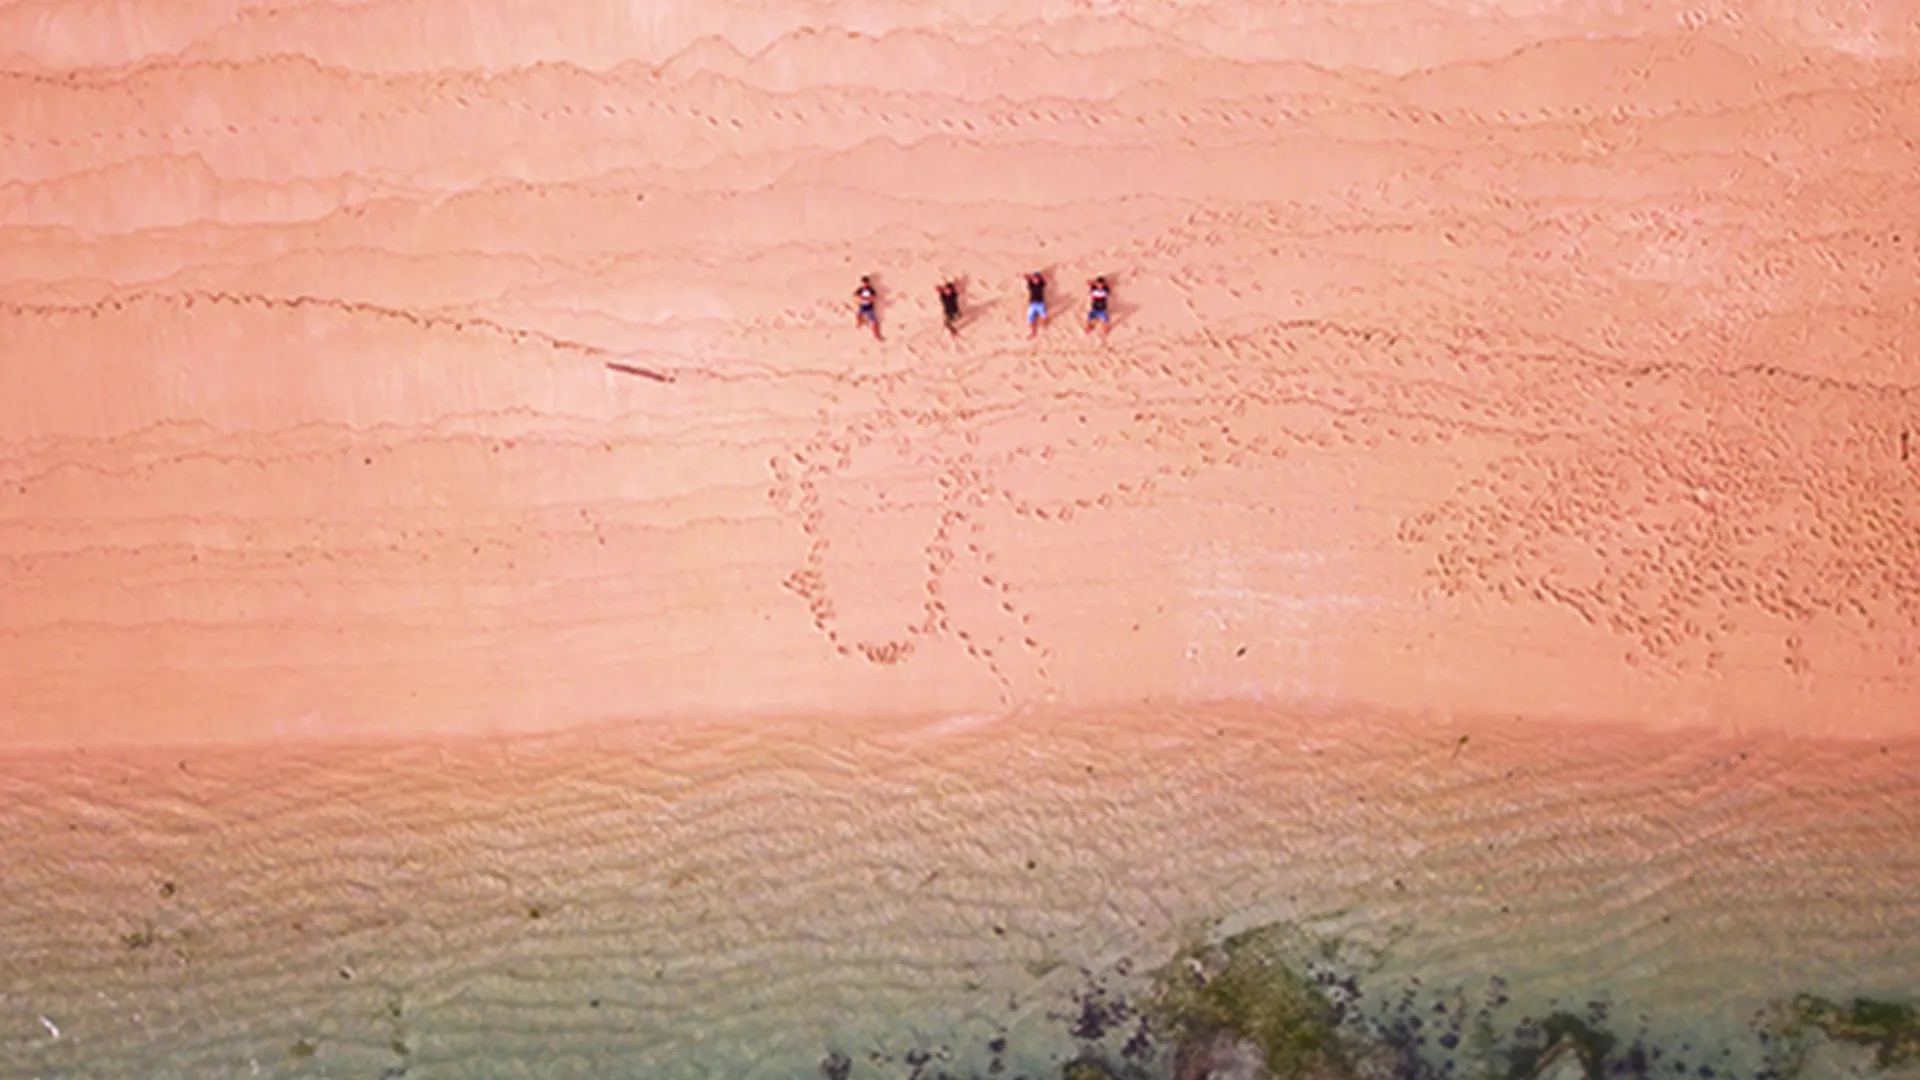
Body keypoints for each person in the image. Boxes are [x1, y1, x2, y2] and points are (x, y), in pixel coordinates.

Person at [854, 275, 881, 340]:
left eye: (866, 282)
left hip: (869, 308)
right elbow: (856, 295)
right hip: (862, 307)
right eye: (863, 283)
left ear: (868, 283)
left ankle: (876, 335)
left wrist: (865, 298)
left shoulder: (871, 290)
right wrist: (863, 298)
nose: (864, 284)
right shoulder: (860, 289)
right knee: (858, 315)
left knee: (874, 321)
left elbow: (873, 298)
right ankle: (860, 323)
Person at [1023, 271, 1048, 338]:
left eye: (1037, 278)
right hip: (1032, 304)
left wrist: (1040, 276)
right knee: (1029, 319)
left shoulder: (1041, 284)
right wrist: (1030, 277)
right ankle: (1033, 332)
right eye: (1034, 278)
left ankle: (1044, 324)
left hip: (1040, 303)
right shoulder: (1031, 285)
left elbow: (1046, 277)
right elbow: (1025, 277)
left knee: (1044, 315)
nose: (1035, 279)